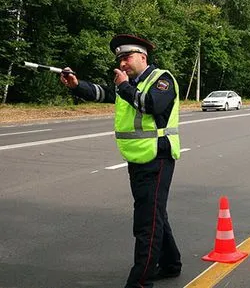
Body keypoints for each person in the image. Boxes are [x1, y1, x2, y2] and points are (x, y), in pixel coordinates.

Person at [60, 34, 182, 288]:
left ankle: (139, 282)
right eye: (119, 59)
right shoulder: (128, 84)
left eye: (126, 57)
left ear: (142, 56)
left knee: (147, 223)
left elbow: (151, 106)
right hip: (136, 158)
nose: (122, 63)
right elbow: (103, 93)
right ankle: (171, 264)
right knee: (154, 212)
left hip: (156, 158)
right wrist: (76, 85)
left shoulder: (162, 79)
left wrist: (125, 86)